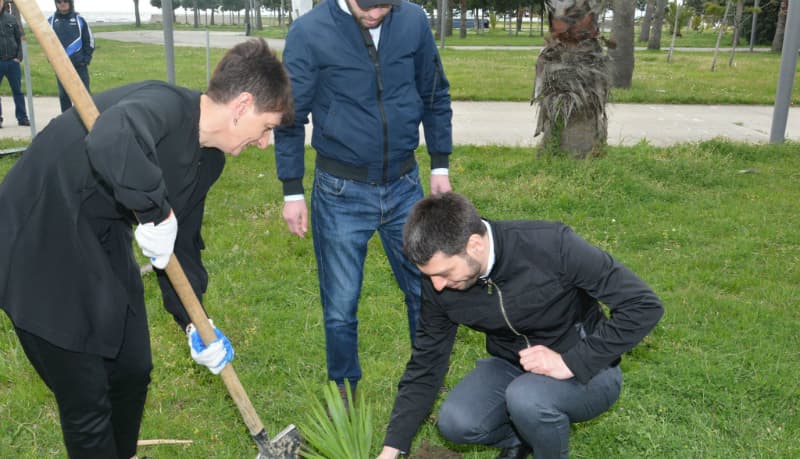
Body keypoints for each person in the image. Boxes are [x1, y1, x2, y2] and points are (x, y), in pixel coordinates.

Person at [0, 38, 293, 459]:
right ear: (243, 105)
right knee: (86, 395)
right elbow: (110, 139)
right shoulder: (165, 107)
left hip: (97, 232)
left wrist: (196, 323)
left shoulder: (209, 160)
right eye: (267, 127)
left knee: (133, 367)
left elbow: (182, 246)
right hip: (39, 233)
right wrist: (156, 211)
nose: (265, 143)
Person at [377, 192, 665, 459]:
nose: (437, 286)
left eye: (444, 272)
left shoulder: (551, 245)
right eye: (430, 276)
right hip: (514, 366)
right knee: (456, 421)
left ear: (474, 245)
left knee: (527, 398)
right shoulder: (439, 283)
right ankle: (522, 437)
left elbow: (643, 305)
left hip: (590, 368)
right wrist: (392, 448)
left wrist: (572, 362)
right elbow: (427, 361)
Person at [274, 0, 453, 403]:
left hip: (405, 185)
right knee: (340, 305)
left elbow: (434, 92)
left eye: (384, 7)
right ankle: (345, 394)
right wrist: (292, 189)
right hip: (341, 192)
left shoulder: (412, 22)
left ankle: (426, 384)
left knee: (425, 291)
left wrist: (439, 165)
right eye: (367, 6)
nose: (375, 15)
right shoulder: (309, 32)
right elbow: (290, 117)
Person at [49, 0, 95, 112]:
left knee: (84, 96)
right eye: (59, 2)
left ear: (70, 3)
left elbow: (90, 41)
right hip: (61, 67)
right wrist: (51, 59)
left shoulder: (80, 20)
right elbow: (46, 42)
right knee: (64, 96)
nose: (62, 4)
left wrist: (86, 59)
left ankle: (88, 124)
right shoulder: (51, 21)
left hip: (79, 65)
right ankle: (68, 123)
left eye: (65, 1)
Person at [0, 0, 30, 127]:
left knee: (17, 91)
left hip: (13, 62)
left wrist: (19, 57)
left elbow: (20, 39)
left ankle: (22, 118)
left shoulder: (11, 18)